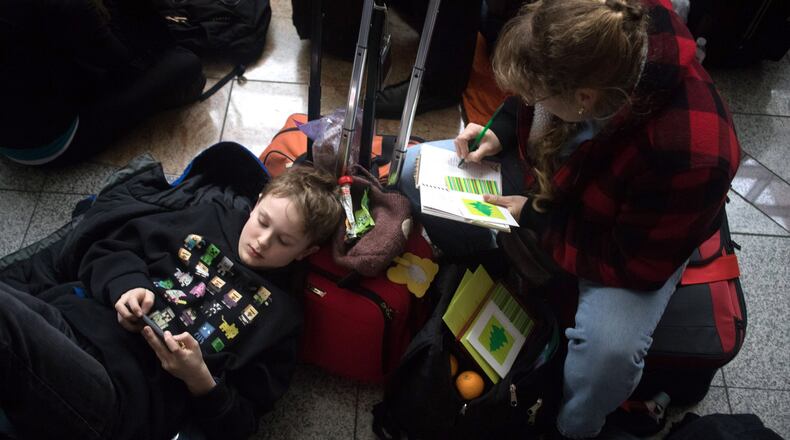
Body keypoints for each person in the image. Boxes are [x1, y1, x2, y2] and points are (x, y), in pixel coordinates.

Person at [399, 0, 740, 438]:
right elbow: (534, 93)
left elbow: (632, 264)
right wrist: (501, 131)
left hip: (626, 240)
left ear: (584, 99)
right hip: (562, 188)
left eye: (536, 97)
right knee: (413, 169)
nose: (528, 100)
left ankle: (571, 427)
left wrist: (537, 220)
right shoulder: (591, 31)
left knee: (607, 357)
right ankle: (506, 260)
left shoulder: (694, 153)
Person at [0, 160, 342, 440]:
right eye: (262, 221)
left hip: (117, 392)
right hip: (68, 321)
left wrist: (199, 378)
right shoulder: (207, 218)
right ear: (255, 205)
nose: (263, 241)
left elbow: (241, 422)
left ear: (306, 251)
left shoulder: (282, 318)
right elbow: (108, 247)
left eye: (284, 240)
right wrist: (126, 286)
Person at [0, 0, 205, 165]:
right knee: (186, 64)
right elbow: (120, 64)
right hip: (52, 143)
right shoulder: (72, 7)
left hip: (13, 127)